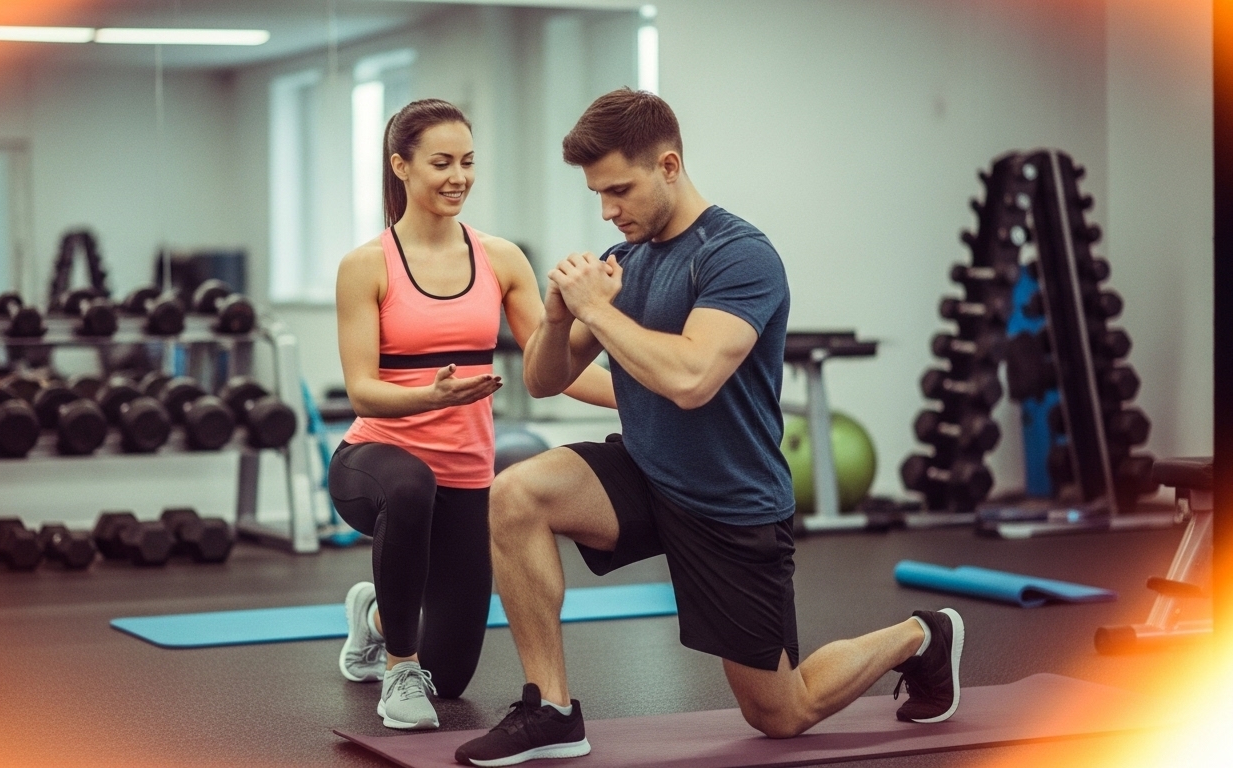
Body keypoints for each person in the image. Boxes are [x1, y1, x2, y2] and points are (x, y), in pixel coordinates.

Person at [454, 89, 965, 767]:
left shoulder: (739, 256)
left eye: (619, 190)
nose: (608, 210)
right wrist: (555, 315)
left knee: (780, 713)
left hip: (730, 500)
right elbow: (545, 381)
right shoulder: (625, 262)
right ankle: (549, 709)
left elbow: (692, 378)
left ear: (668, 165)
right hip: (645, 470)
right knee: (515, 495)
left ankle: (921, 636)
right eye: (597, 194)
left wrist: (598, 314)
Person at [330, 98, 616, 732]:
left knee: (454, 677)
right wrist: (429, 399)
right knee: (410, 484)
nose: (458, 176)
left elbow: (554, 373)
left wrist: (643, 392)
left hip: (465, 478)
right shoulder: (366, 266)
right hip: (372, 464)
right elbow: (362, 391)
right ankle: (398, 670)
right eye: (441, 162)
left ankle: (374, 618)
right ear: (400, 166)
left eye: (467, 161)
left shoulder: (500, 259)